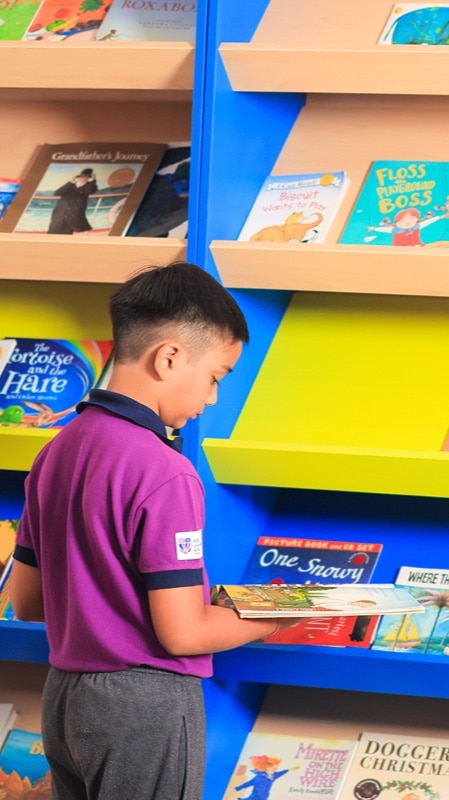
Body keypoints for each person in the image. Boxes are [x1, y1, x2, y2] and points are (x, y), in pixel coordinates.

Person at [10, 261, 302, 800]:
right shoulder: (164, 470)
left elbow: (26, 601)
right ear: (169, 357)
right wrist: (273, 616)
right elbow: (183, 634)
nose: (212, 398)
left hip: (64, 697)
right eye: (215, 376)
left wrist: (114, 603)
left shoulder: (54, 453)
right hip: (141, 706)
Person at [47, 167, 98, 234]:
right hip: (62, 210)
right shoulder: (70, 185)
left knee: (72, 230)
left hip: (75, 212)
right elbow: (57, 193)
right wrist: (70, 182)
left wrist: (92, 181)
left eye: (86, 177)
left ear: (88, 178)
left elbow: (90, 191)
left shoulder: (89, 186)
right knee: (56, 229)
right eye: (81, 177)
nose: (83, 178)